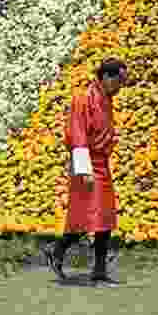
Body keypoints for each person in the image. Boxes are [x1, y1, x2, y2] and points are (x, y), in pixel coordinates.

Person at [44, 57, 127, 286]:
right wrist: (84, 170)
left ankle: (79, 261)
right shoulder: (84, 99)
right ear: (106, 77)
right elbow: (77, 134)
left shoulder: (106, 99)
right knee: (90, 217)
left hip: (101, 163)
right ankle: (61, 252)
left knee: (104, 218)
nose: (120, 87)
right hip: (87, 164)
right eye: (119, 81)